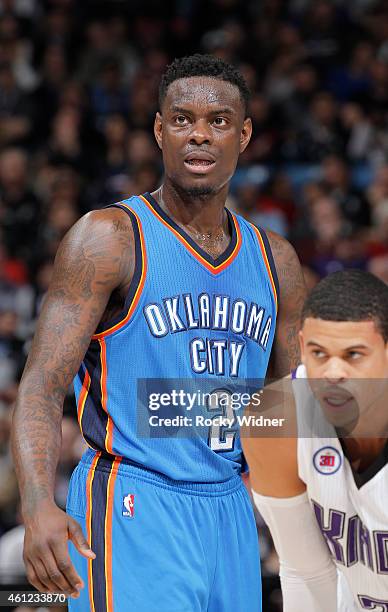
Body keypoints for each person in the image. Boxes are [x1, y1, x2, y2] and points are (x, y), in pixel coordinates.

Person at [11, 54, 305, 612]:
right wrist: (36, 504)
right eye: (182, 119)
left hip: (231, 513)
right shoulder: (108, 239)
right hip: (132, 500)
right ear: (158, 130)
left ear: (243, 135)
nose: (199, 134)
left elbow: (294, 404)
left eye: (218, 121)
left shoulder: (276, 261)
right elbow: (41, 389)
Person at [243, 270, 388, 611]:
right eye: (319, 353)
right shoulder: (274, 420)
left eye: (354, 354)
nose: (333, 372)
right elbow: (306, 572)